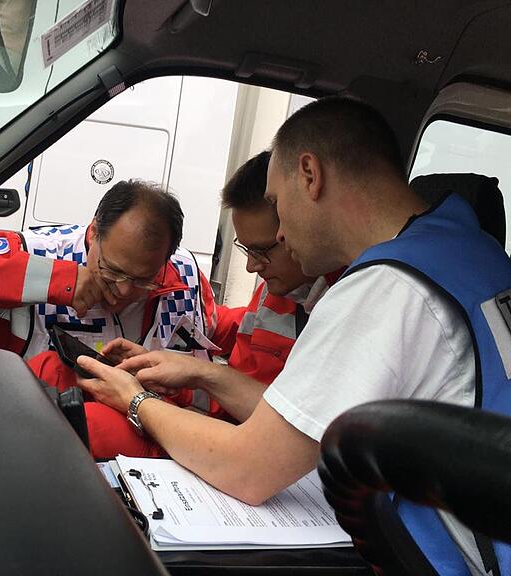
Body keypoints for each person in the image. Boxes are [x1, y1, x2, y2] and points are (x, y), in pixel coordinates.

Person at [75, 96, 511, 574]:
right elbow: (303, 420)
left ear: (310, 174)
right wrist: (201, 372)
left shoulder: (389, 286)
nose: (279, 234)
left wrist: (135, 401)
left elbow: (248, 470)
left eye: (278, 206)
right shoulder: (467, 248)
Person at [87, 151, 343, 458]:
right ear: (93, 234)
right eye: (246, 249)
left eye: (262, 251)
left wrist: (140, 399)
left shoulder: (345, 305)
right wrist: (168, 374)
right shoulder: (272, 295)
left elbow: (286, 432)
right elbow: (236, 399)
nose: (251, 267)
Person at [0, 179, 230, 417]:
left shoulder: (186, 276)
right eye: (112, 270)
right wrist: (57, 280)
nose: (123, 290)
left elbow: (207, 389)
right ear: (95, 231)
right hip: (31, 429)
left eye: (142, 280)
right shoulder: (39, 251)